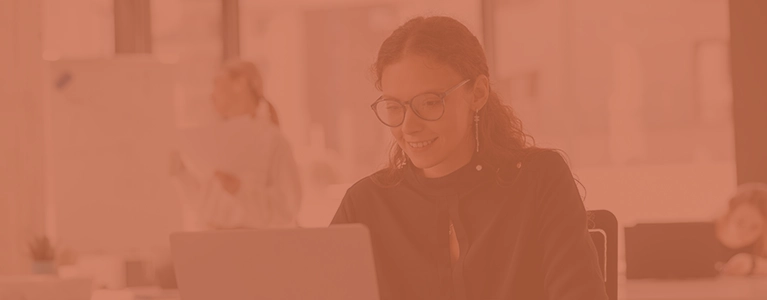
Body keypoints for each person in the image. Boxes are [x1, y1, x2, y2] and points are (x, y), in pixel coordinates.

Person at [331, 16, 607, 300]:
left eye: (429, 102)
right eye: (394, 106)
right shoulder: (363, 205)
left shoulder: (539, 180)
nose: (408, 126)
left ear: (478, 93)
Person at [170, 60, 302, 230]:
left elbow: (287, 209)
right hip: (214, 246)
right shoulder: (214, 143)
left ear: (240, 83)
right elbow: (205, 207)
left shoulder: (273, 141)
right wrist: (182, 175)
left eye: (216, 83)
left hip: (256, 249)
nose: (211, 95)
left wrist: (239, 190)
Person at [715, 182, 767, 276]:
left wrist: (753, 264)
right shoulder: (703, 234)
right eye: (740, 222)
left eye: (755, 227)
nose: (745, 232)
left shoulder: (761, 247)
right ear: (729, 215)